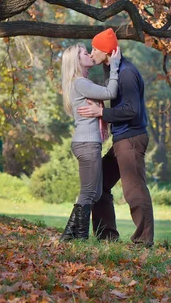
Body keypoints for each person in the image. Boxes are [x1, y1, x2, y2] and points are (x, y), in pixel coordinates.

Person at [77, 28, 154, 247]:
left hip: (131, 138)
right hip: (121, 138)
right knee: (99, 182)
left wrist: (101, 113)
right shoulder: (113, 68)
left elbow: (131, 109)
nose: (92, 53)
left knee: (134, 190)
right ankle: (106, 237)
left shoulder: (126, 72)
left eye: (95, 49)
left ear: (107, 50)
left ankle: (143, 242)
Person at [60, 41, 121, 241]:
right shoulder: (80, 83)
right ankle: (79, 238)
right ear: (76, 62)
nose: (88, 55)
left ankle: (70, 236)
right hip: (87, 144)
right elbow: (110, 92)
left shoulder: (79, 83)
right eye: (84, 53)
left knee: (93, 193)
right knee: (89, 192)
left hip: (87, 143)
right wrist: (114, 66)